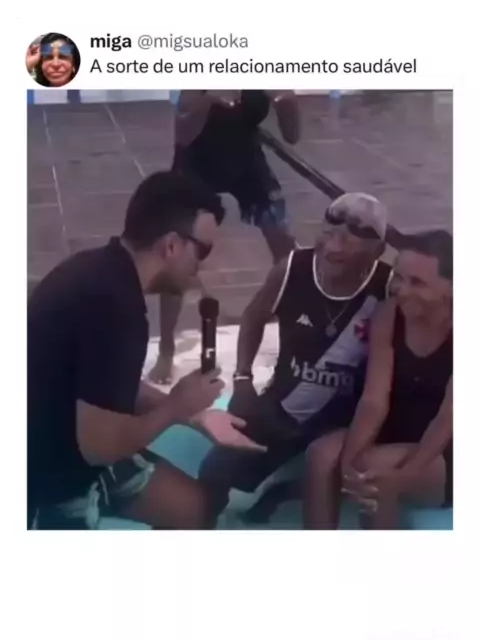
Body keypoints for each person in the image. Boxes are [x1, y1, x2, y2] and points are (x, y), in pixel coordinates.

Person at [28, 172, 265, 531]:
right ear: (171, 246)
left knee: (194, 510)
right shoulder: (116, 308)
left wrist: (195, 415)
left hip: (72, 441)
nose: (202, 266)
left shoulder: (99, 269)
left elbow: (107, 386)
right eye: (202, 251)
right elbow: (102, 448)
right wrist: (176, 407)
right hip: (50, 477)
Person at [198, 192, 391, 526]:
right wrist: (243, 379)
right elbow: (254, 316)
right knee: (217, 467)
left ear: (377, 250)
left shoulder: (388, 287)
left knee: (349, 476)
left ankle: (286, 491)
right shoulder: (292, 269)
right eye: (328, 233)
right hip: (283, 408)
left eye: (348, 240)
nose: (333, 246)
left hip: (346, 423)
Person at [148, 89, 300, 385]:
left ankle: (287, 323)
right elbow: (183, 136)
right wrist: (207, 99)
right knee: (178, 251)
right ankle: (166, 348)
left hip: (245, 160)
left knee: (285, 245)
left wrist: (287, 102)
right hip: (196, 161)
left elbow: (292, 136)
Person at [304, 230, 453, 530]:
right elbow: (374, 399)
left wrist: (406, 476)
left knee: (374, 474)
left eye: (417, 283)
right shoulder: (389, 315)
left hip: (445, 452)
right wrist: (348, 462)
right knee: (321, 456)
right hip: (395, 431)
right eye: (399, 277)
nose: (401, 290)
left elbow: (448, 419)